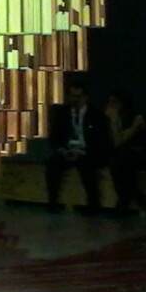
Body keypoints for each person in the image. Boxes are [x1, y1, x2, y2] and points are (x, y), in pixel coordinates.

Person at [45, 82, 109, 213]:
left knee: (87, 166)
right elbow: (54, 137)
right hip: (67, 150)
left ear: (85, 97)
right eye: (72, 96)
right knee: (52, 164)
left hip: (87, 152)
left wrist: (82, 152)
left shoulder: (96, 115)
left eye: (78, 96)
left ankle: (93, 205)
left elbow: (101, 140)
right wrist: (62, 150)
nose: (75, 100)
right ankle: (52, 202)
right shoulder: (63, 113)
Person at [106, 90, 146, 214]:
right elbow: (116, 141)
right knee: (118, 160)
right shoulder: (111, 118)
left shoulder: (136, 117)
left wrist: (115, 121)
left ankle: (124, 200)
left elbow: (120, 140)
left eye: (114, 102)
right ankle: (136, 196)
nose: (110, 106)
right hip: (122, 155)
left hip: (140, 154)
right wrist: (113, 121)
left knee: (120, 159)